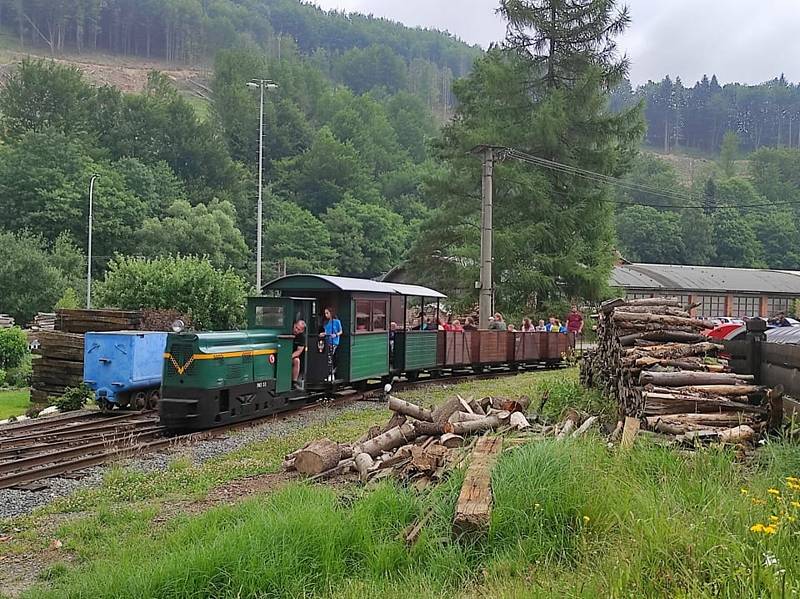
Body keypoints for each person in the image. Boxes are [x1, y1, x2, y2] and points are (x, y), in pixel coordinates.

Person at [319, 307, 342, 380]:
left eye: (327, 313)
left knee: (329, 356)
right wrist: (323, 334)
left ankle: (330, 374)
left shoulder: (337, 322)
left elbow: (341, 331)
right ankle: (328, 374)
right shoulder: (326, 323)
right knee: (326, 357)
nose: (326, 315)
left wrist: (336, 335)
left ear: (331, 313)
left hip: (334, 342)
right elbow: (327, 332)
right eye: (325, 313)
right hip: (327, 341)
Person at [291, 320, 306, 389]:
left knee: (297, 361)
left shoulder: (302, 338)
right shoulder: (288, 331)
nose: (296, 330)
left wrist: (289, 357)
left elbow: (299, 351)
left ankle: (294, 382)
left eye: (298, 329)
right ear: (294, 325)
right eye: (296, 327)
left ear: (302, 331)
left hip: (291, 356)